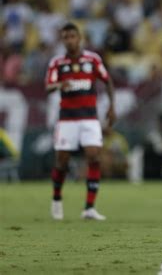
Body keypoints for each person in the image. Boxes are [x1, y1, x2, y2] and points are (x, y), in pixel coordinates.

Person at [45, 22, 116, 220]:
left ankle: (89, 208)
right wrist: (60, 84)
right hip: (67, 120)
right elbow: (48, 87)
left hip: (89, 118)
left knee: (94, 157)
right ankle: (57, 199)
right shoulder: (57, 63)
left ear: (79, 38)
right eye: (66, 37)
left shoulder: (92, 60)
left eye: (72, 36)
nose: (69, 40)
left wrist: (112, 106)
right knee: (62, 162)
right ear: (62, 40)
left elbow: (107, 80)